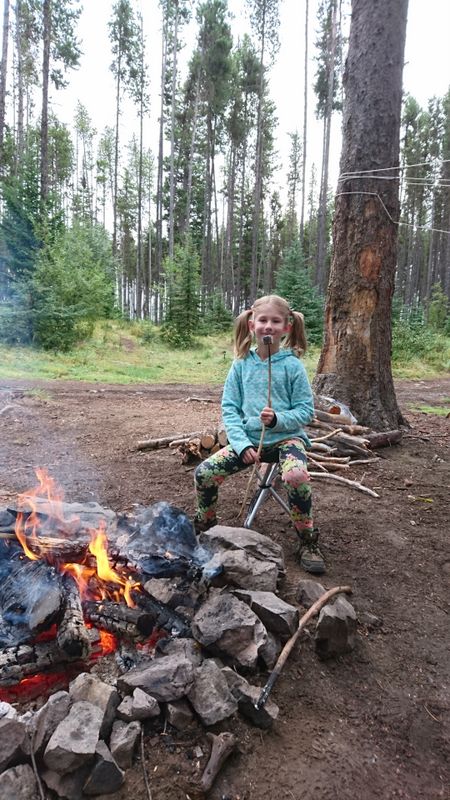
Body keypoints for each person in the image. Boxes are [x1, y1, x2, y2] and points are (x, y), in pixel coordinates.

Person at [193, 294, 325, 575]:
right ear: (252, 325)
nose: (269, 326)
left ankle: (308, 540)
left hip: (287, 440)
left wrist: (278, 419)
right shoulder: (241, 364)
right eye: (263, 320)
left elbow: (306, 411)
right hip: (250, 442)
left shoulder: (293, 366)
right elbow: (229, 408)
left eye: (275, 321)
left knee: (296, 476)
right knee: (204, 473)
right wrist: (241, 445)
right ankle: (205, 526)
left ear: (286, 327)